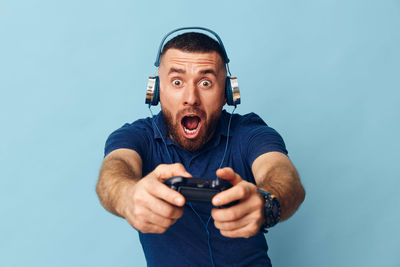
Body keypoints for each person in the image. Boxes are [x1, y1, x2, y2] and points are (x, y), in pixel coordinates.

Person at [96, 28, 305, 267]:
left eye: (205, 82)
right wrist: (126, 195)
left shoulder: (250, 132)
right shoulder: (136, 136)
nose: (191, 98)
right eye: (177, 82)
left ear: (228, 94)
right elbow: (114, 170)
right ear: (156, 92)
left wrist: (265, 203)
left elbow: (283, 176)